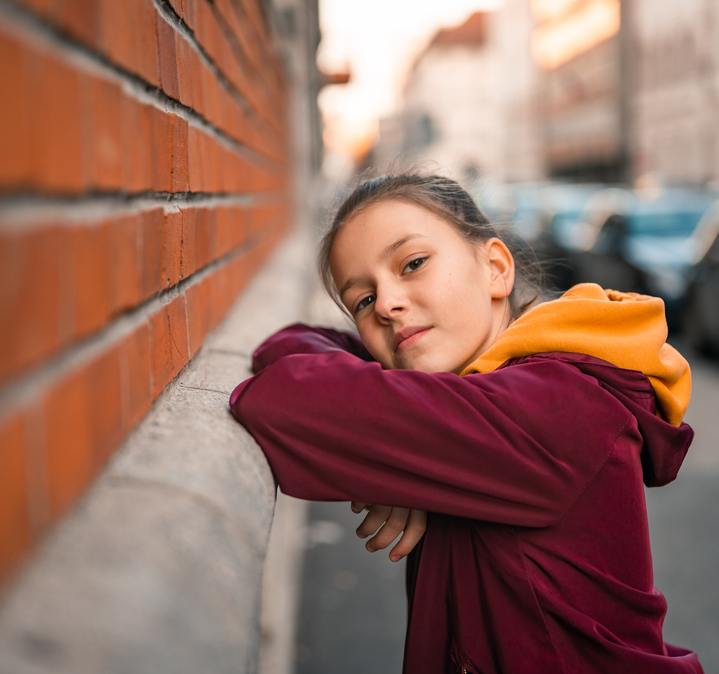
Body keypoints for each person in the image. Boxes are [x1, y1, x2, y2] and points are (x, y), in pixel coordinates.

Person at [229, 172, 703, 673]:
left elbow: (279, 400)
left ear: (496, 268)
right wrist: (403, 462)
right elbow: (291, 342)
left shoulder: (561, 407)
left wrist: (393, 456)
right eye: (363, 301)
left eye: (412, 264)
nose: (388, 304)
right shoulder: (467, 396)